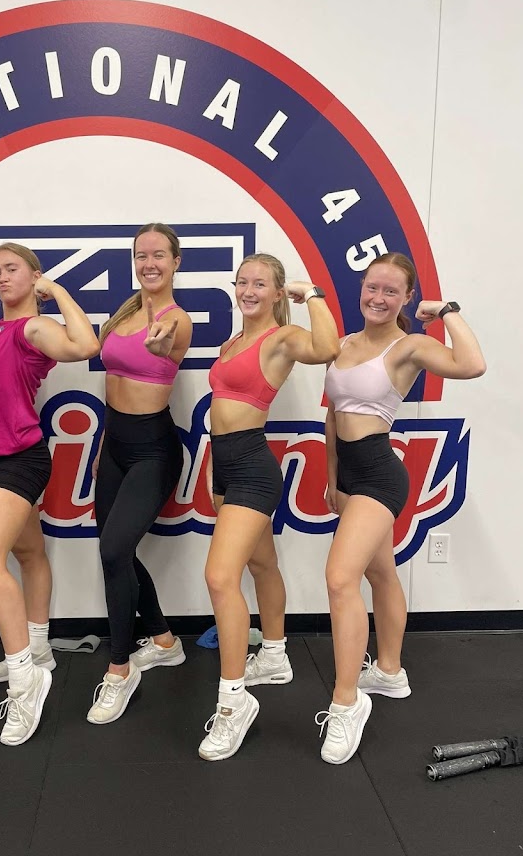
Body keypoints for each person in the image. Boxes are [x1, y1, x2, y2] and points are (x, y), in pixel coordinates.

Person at [316, 253, 486, 764]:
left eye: (391, 291)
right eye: (372, 287)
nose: (378, 297)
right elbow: (333, 414)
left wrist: (447, 312)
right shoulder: (344, 344)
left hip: (379, 474)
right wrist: (331, 478)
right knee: (381, 572)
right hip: (348, 474)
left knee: (340, 579)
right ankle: (389, 671)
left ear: (408, 298)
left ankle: (347, 703)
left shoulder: (408, 346)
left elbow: (472, 365)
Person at [200, 253, 340, 761]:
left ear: (279, 293)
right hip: (225, 463)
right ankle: (276, 655)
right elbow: (220, 411)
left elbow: (327, 347)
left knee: (220, 577)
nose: (248, 290)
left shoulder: (281, 339)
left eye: (260, 284)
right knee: (261, 564)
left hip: (254, 469)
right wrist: (212, 466)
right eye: (243, 282)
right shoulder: (232, 343)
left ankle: (233, 703)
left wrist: (312, 294)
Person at [0, 243, 99, 746]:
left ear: (34, 275)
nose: (2, 278)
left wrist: (56, 291)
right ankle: (38, 647)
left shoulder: (33, 327)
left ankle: (26, 682)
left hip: (19, 457)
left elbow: (86, 345)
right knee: (28, 553)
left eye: (12, 269)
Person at [87, 223, 193, 725]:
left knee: (113, 551)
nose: (149, 263)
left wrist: (161, 347)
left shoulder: (177, 320)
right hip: (115, 445)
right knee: (116, 550)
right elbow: (112, 382)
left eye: (158, 255)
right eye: (141, 255)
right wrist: (102, 446)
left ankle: (119, 668)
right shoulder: (125, 312)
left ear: (176, 261)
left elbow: (169, 347)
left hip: (154, 448)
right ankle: (165, 640)